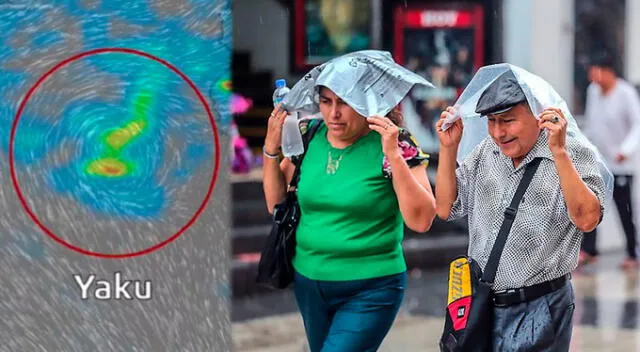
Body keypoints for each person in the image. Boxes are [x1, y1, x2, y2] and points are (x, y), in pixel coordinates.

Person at [435, 66, 610, 351]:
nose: (498, 132)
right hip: (482, 305)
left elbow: (587, 219)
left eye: (508, 121)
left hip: (541, 307)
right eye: (492, 121)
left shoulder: (575, 153)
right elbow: (444, 207)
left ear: (537, 113)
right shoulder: (484, 152)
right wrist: (448, 149)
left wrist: (560, 153)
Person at [262, 77, 437, 350]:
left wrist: (393, 155)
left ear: (366, 103)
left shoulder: (394, 141)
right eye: (326, 101)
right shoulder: (309, 133)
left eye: (344, 102)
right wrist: (271, 149)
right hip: (309, 281)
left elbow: (422, 220)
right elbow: (275, 202)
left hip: (372, 286)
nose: (333, 113)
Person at [580, 51, 640, 269]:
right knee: (592, 202)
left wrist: (626, 150)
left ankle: (633, 252)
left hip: (621, 163)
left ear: (608, 71)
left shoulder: (625, 93)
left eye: (596, 72)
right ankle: (590, 249)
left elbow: (637, 125)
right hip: (599, 161)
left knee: (624, 210)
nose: (593, 77)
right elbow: (592, 123)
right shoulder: (593, 92)